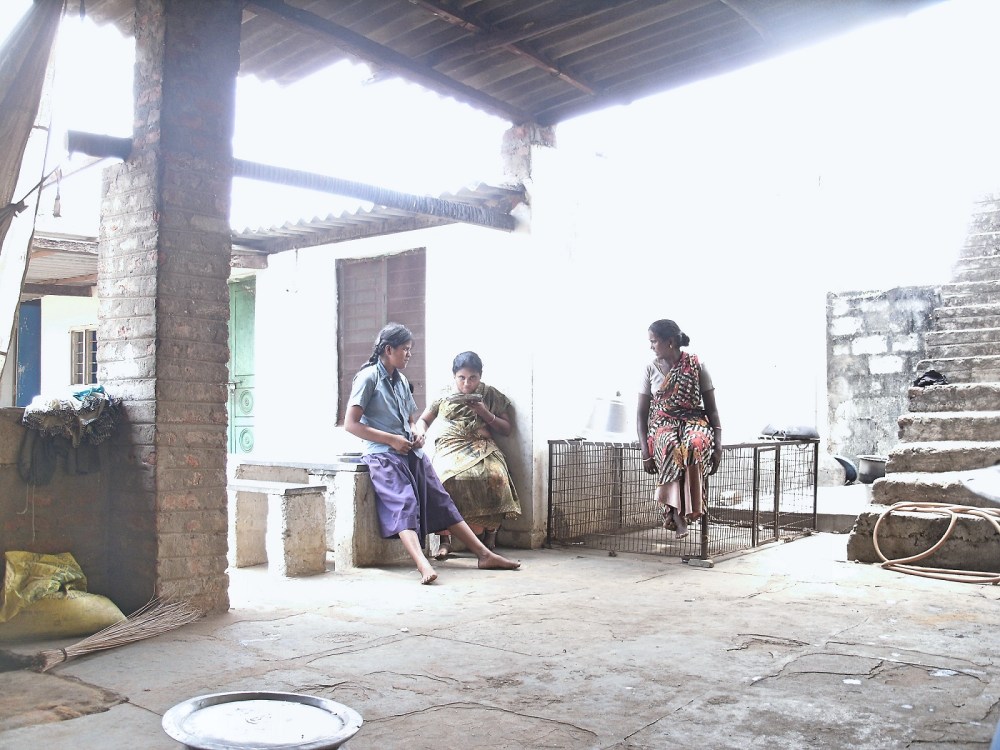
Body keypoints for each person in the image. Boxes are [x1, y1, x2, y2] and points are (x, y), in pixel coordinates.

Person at [344, 323, 521, 584]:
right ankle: (422, 564)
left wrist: (417, 433)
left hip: (411, 453)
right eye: (405, 349)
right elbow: (351, 424)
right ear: (389, 349)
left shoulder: (401, 381)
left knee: (442, 501)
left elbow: (411, 419)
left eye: (410, 349)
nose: (409, 354)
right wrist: (392, 440)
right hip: (383, 456)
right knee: (404, 503)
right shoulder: (368, 378)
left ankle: (484, 555)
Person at [415, 351, 521, 558]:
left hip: (482, 446)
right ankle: (445, 541)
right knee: (443, 479)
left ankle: (490, 533)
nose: (466, 383)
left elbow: (506, 429)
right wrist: (420, 432)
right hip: (450, 446)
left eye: (473, 378)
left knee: (495, 476)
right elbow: (424, 420)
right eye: (461, 377)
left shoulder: (489, 394)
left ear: (480, 376)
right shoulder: (444, 394)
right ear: (454, 376)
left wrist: (484, 412)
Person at [636, 319, 723, 539]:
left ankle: (691, 509)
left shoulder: (696, 366)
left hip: (694, 420)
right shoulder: (650, 369)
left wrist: (718, 446)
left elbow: (712, 410)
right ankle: (674, 512)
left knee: (694, 445)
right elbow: (641, 415)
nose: (651, 346)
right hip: (662, 423)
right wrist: (645, 453)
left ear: (671, 342)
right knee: (670, 445)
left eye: (654, 341)